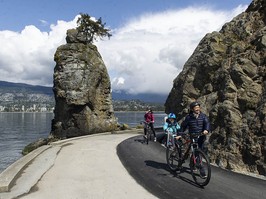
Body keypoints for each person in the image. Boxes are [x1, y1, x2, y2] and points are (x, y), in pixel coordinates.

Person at [180, 101, 210, 178]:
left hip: (201, 137)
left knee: (198, 153)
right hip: (192, 136)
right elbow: (183, 126)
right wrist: (180, 133)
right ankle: (185, 162)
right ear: (192, 109)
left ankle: (201, 171)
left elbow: (207, 123)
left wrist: (206, 130)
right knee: (191, 151)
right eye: (196, 108)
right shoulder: (188, 117)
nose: (197, 109)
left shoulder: (203, 116)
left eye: (198, 107)